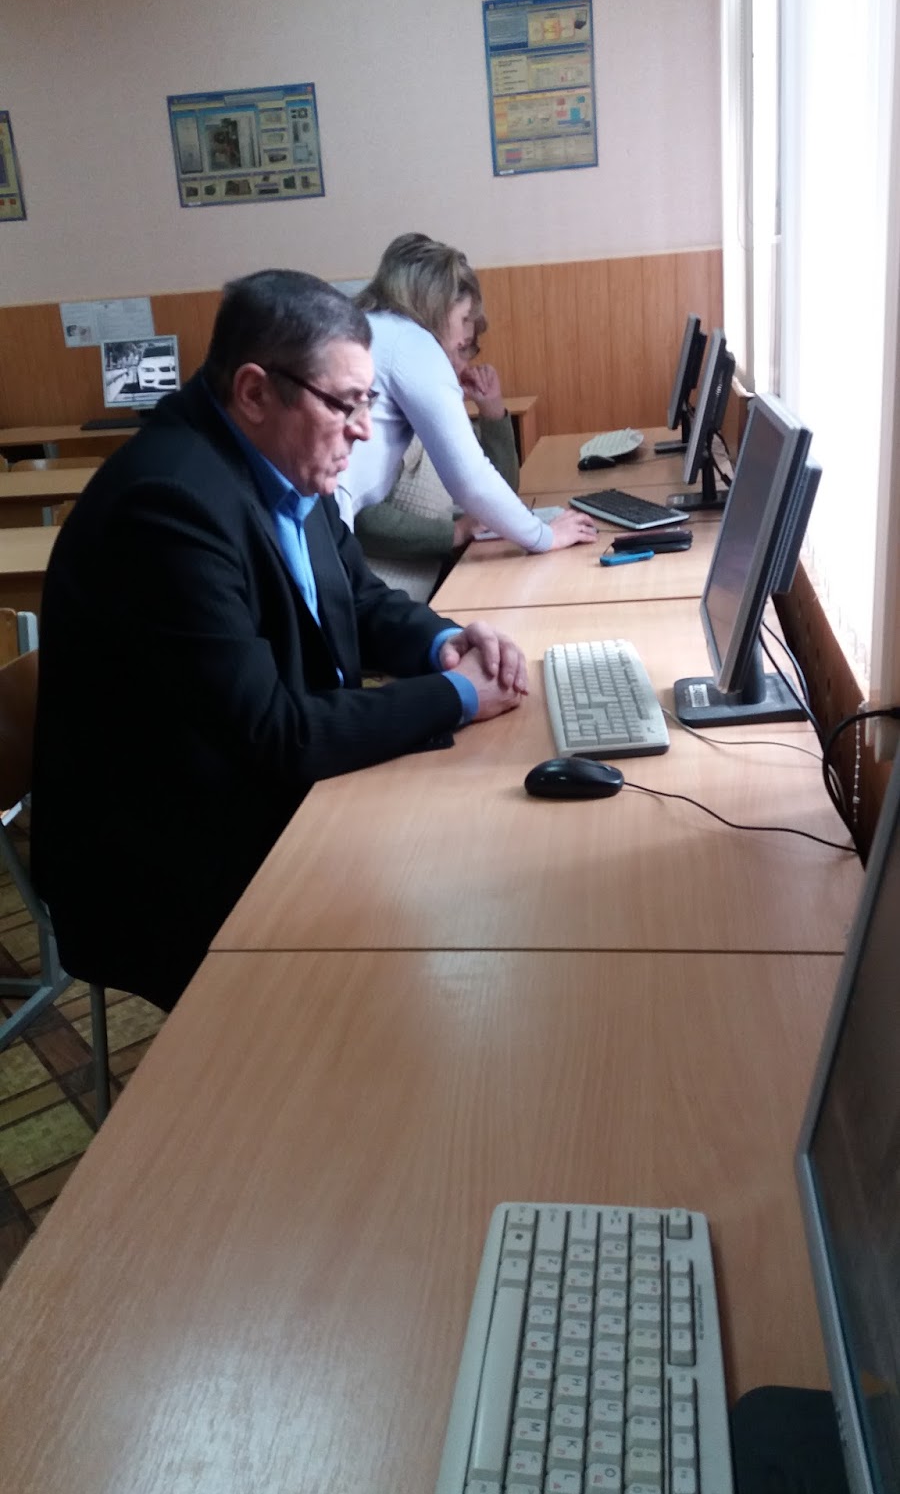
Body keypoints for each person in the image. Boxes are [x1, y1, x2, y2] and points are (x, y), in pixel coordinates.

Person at [31, 270, 529, 1013]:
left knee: (472, 865)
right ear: (256, 392)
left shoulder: (282, 459)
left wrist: (447, 643)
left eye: (367, 401)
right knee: (423, 948)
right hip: (168, 863)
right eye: (345, 403)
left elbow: (359, 599)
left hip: (258, 794)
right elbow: (276, 735)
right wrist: (458, 696)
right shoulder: (168, 506)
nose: (364, 429)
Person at [338, 232, 597, 555]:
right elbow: (470, 479)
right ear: (436, 304)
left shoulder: (369, 328)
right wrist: (545, 536)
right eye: (462, 319)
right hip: (328, 519)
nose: (463, 337)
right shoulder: (413, 344)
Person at [355, 308, 521, 598]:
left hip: (426, 592)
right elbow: (364, 519)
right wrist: (455, 532)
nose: (461, 364)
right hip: (383, 601)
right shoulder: (389, 421)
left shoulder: (442, 413)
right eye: (458, 349)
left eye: (467, 350)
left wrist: (492, 410)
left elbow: (500, 493)